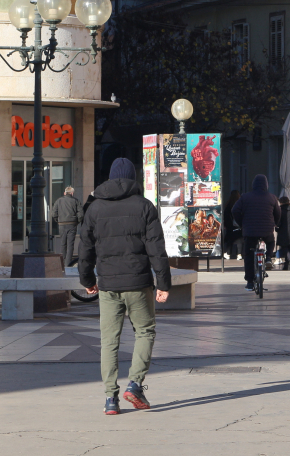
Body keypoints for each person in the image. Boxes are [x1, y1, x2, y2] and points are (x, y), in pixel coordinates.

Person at [78, 157, 170, 415]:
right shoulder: (145, 207)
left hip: (107, 285)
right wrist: (163, 283)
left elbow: (84, 249)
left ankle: (110, 398)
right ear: (133, 177)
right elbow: (157, 249)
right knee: (145, 331)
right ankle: (135, 383)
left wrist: (87, 280)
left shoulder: (94, 209)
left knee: (109, 341)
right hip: (139, 283)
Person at [231, 174, 281, 289]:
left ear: (253, 185)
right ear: (266, 185)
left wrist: (241, 223)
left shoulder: (245, 197)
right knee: (270, 242)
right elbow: (278, 213)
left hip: (250, 231)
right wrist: (275, 224)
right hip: (267, 230)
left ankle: (249, 282)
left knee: (248, 255)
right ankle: (268, 257)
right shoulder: (272, 197)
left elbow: (235, 210)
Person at [51, 186, 84, 267]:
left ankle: (62, 262)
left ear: (65, 193)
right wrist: (76, 222)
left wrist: (58, 221)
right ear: (72, 193)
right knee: (70, 244)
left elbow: (53, 213)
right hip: (72, 224)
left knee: (63, 243)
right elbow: (81, 214)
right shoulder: (76, 201)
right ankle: (68, 264)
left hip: (61, 224)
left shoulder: (59, 201)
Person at [224, 190, 242, 260]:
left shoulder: (229, 204)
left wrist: (226, 224)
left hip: (230, 225)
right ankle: (239, 254)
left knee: (230, 239)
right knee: (239, 239)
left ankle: (228, 253)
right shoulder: (240, 204)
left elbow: (226, 215)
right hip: (239, 224)